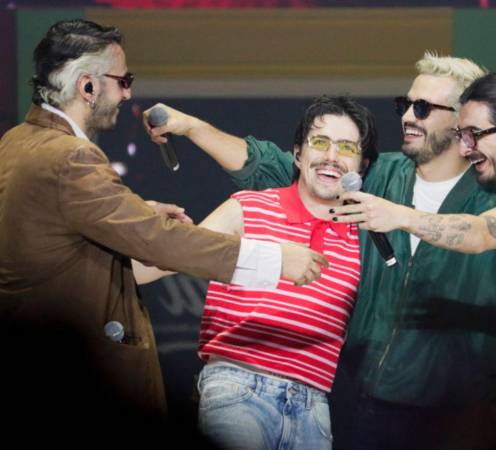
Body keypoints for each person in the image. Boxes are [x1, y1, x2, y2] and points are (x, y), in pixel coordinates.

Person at [145, 52, 496, 450]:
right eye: (405, 105)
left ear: (462, 122)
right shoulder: (376, 177)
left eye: (422, 108)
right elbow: (276, 166)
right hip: (364, 403)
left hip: (459, 412)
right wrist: (192, 127)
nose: (407, 116)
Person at [0, 18, 327, 427]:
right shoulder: (70, 157)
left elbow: (66, 235)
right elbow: (158, 241)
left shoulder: (17, 141)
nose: (128, 93)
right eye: (123, 80)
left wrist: (136, 213)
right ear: (87, 87)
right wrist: (274, 260)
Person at [333, 69, 496, 450]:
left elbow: (480, 233)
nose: (465, 147)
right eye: (461, 134)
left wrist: (400, 216)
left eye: (474, 134)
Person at [137, 95, 378, 450]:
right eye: (320, 142)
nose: (331, 156)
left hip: (314, 406)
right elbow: (158, 264)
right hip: (237, 388)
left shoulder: (367, 237)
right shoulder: (248, 207)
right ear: (298, 154)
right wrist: (131, 233)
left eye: (346, 147)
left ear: (362, 166)